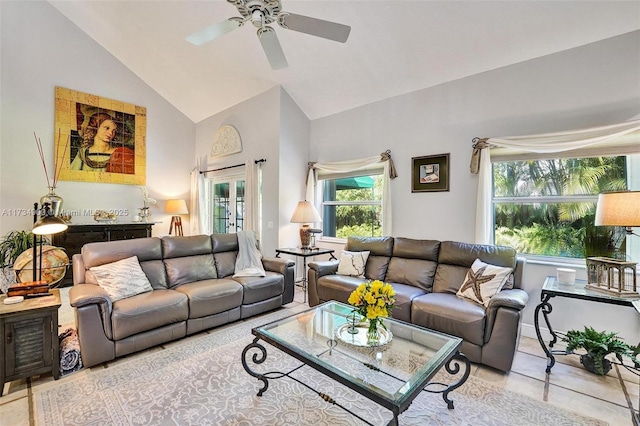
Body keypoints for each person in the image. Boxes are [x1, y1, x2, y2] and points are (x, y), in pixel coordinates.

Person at [70, 112, 135, 174]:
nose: (110, 133)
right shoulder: (83, 153)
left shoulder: (119, 153)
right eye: (107, 128)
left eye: (114, 131)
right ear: (96, 128)